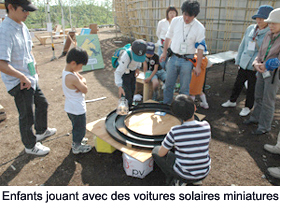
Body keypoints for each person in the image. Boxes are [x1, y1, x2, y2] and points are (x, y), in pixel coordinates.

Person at [0, 0, 56, 156]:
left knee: (42, 104)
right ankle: (30, 146)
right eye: (24, 10)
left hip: (29, 77)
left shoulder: (22, 26)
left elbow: (28, 51)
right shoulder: (4, 31)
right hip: (19, 82)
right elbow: (1, 63)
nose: (27, 14)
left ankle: (41, 131)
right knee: (26, 115)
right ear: (10, 7)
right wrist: (21, 76)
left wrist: (34, 65)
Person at [222, 5, 273, 117]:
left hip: (255, 65)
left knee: (252, 87)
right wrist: (238, 60)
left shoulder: (270, 32)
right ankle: (232, 100)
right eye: (258, 18)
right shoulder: (250, 28)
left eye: (262, 18)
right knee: (238, 83)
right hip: (244, 62)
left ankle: (247, 106)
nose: (259, 20)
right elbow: (243, 45)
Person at [152, 94, 211, 186]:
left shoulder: (175, 131)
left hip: (184, 174)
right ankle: (196, 180)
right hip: (204, 172)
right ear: (195, 108)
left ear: (175, 115)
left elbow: (161, 153)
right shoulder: (206, 126)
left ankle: (177, 180)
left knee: (156, 150)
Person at [160, 0, 206, 105]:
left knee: (184, 88)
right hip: (173, 57)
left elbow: (200, 48)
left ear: (195, 15)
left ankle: (182, 109)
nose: (186, 18)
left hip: (187, 60)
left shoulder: (199, 28)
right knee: (168, 85)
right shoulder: (175, 21)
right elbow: (168, 37)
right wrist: (164, 53)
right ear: (182, 12)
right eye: (185, 14)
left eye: (190, 16)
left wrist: (198, 66)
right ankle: (166, 105)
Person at [244, 8, 280, 135]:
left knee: (268, 100)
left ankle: (264, 126)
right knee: (258, 96)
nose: (270, 25)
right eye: (269, 23)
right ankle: (255, 118)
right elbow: (260, 53)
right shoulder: (268, 35)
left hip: (273, 75)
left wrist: (266, 65)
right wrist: (256, 63)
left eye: (274, 23)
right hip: (261, 70)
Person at [62, 47, 92, 154]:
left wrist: (81, 80)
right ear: (74, 63)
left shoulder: (68, 71)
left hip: (70, 107)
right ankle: (77, 145)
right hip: (77, 108)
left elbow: (81, 79)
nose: (81, 69)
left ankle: (78, 139)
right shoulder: (72, 77)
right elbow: (85, 89)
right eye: (81, 66)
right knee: (80, 127)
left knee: (76, 126)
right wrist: (83, 81)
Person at [114, 39, 147, 107]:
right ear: (132, 49)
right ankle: (126, 108)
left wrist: (137, 68)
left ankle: (130, 104)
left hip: (132, 71)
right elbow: (118, 72)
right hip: (125, 73)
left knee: (133, 89)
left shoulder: (141, 53)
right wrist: (119, 86)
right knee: (126, 92)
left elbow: (139, 60)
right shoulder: (125, 56)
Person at [156, 6, 178, 70]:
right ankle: (160, 77)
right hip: (162, 45)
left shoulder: (177, 23)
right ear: (167, 14)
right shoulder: (162, 22)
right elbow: (158, 33)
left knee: (169, 65)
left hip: (172, 47)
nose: (172, 15)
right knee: (161, 63)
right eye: (170, 13)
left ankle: (167, 78)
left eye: (174, 13)